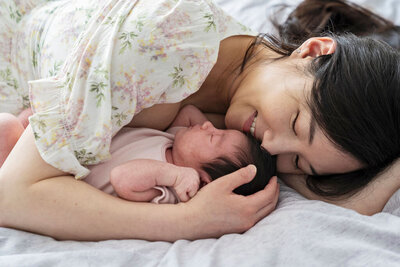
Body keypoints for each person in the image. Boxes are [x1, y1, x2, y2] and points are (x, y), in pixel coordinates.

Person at [0, 0, 399, 241]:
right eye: (296, 124)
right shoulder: (152, 51)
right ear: (312, 50)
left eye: (299, 162)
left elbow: (344, 204)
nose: (275, 149)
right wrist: (185, 221)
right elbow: (11, 196)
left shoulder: (255, 107)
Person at [83, 104, 276, 203]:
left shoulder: (168, 192)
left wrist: (177, 176)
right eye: (218, 130)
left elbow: (121, 177)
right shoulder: (176, 142)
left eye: (213, 137)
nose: (209, 125)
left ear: (202, 182)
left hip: (70, 173)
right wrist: (206, 136)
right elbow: (189, 111)